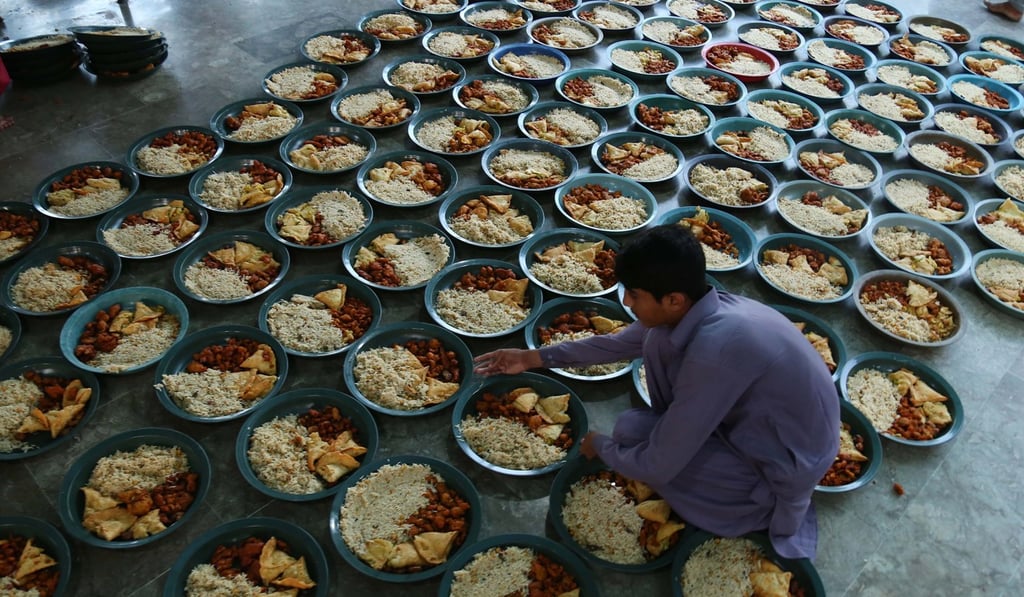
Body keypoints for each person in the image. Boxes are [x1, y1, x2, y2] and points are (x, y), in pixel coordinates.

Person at [474, 224, 840, 560]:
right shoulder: (700, 308)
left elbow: (660, 466)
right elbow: (613, 345)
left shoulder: (716, 351)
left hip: (784, 461)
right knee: (632, 430)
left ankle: (759, 507)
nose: (627, 303)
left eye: (633, 294)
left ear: (674, 299)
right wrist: (530, 358)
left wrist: (599, 447)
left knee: (635, 446)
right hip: (757, 429)